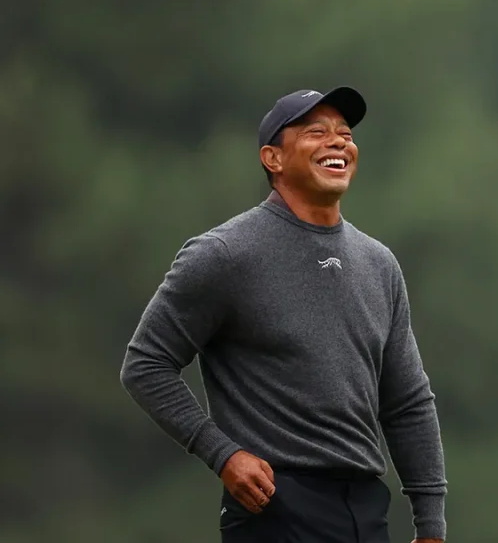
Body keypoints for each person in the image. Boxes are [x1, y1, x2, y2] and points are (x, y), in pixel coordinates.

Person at [120, 86, 448, 543]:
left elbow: (407, 401)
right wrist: (223, 455)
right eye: (316, 132)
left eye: (345, 134)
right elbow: (145, 364)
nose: (338, 142)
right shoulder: (224, 254)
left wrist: (430, 524)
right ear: (273, 159)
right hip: (274, 507)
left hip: (365, 511)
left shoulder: (379, 264)